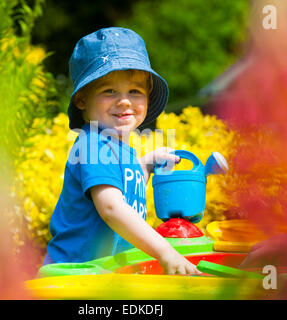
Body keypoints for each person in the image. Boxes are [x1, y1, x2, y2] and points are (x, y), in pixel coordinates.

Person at [44, 27, 200, 275]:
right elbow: (112, 208)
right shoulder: (93, 145)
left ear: (147, 97)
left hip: (104, 275)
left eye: (135, 91)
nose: (124, 101)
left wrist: (145, 165)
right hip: (75, 274)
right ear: (82, 100)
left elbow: (122, 186)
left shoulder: (117, 147)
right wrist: (166, 252)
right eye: (109, 91)